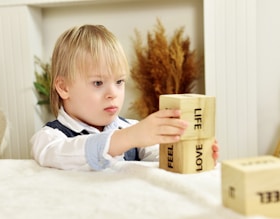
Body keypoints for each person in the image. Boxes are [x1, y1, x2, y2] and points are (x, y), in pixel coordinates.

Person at [30, 24, 219, 171]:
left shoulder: (130, 127)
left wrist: (190, 153)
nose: (113, 93)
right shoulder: (49, 138)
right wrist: (129, 138)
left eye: (119, 82)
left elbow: (158, 158)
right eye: (98, 83)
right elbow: (63, 154)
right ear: (64, 88)